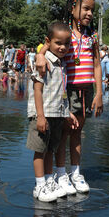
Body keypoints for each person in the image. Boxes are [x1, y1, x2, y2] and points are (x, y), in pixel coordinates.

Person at [36, 0, 103, 194]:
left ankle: (75, 172)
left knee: (77, 133)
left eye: (92, 10)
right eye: (86, 8)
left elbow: (97, 64)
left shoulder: (92, 35)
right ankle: (60, 173)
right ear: (72, 8)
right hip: (67, 90)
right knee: (62, 134)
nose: (90, 13)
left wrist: (99, 92)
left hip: (86, 90)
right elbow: (44, 47)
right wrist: (40, 56)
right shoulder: (64, 33)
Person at [27, 22, 78, 202]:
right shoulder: (44, 62)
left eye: (67, 44)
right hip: (42, 114)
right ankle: (39, 185)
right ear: (48, 42)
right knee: (39, 150)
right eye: (58, 43)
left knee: (50, 149)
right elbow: (37, 90)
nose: (63, 47)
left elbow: (60, 92)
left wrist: (67, 112)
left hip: (56, 114)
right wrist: (40, 116)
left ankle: (49, 180)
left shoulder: (61, 64)